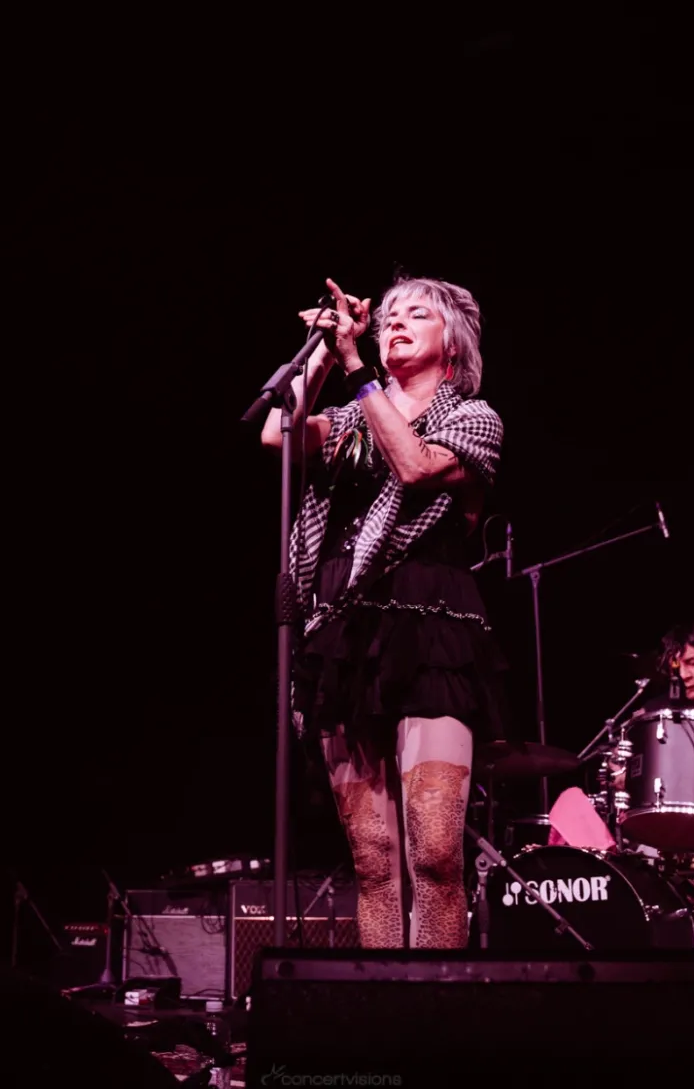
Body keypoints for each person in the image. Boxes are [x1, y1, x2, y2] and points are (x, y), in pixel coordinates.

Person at [261, 275, 505, 950]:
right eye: (388, 315)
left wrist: (355, 367)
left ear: (452, 344)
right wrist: (325, 345)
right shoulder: (348, 420)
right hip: (345, 629)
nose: (395, 323)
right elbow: (278, 434)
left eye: (417, 315)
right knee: (372, 859)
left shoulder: (475, 418)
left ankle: (439, 1001)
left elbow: (413, 465)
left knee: (434, 850)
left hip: (432, 630)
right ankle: (384, 1001)